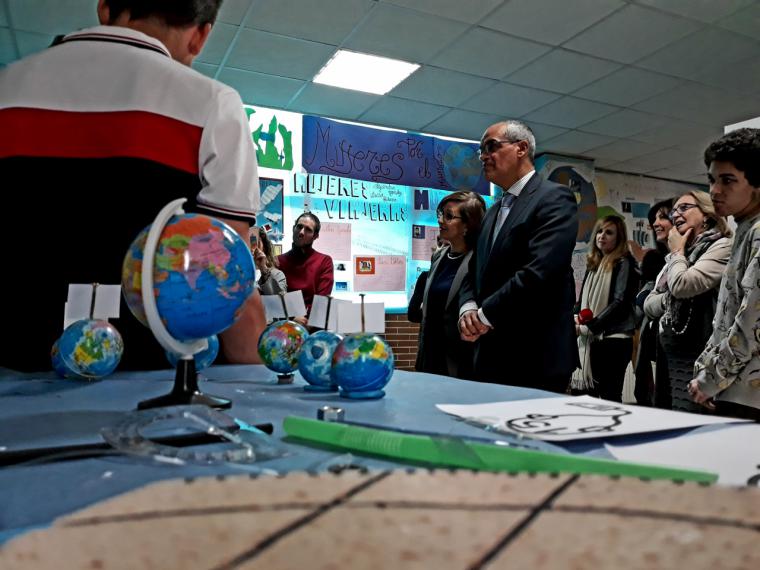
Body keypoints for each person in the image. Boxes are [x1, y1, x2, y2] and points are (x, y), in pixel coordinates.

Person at [0, 0, 266, 371]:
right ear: (200, 36)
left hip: (11, 375)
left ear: (105, 9)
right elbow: (224, 278)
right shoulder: (215, 105)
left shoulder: (6, 88)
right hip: (157, 383)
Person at [458, 120, 578, 393]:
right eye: (481, 151)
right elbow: (474, 269)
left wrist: (484, 315)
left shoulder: (554, 198)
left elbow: (540, 271)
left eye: (491, 147)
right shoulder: (492, 211)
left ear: (521, 148)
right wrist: (467, 307)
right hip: (489, 355)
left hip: (536, 356)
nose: (484, 157)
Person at [690, 128, 760, 421]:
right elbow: (726, 317)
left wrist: (709, 380)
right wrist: (707, 374)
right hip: (731, 388)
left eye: (728, 180)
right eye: (712, 180)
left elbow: (751, 326)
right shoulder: (745, 229)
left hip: (748, 396)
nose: (715, 191)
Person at [644, 191, 732, 413]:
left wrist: (676, 252)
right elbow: (649, 304)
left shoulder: (721, 246)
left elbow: (683, 284)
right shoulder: (676, 258)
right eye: (674, 211)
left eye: (684, 208)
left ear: (706, 215)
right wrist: (672, 294)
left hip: (702, 353)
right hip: (673, 356)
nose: (676, 215)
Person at [411, 191, 485, 379]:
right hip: (428, 357)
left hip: (459, 362)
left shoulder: (479, 262)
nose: (441, 220)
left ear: (468, 225)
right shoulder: (438, 257)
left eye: (449, 216)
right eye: (441, 214)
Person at [573, 216, 639, 402]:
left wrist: (590, 327)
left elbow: (619, 302)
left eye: (609, 232)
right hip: (592, 339)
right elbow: (580, 303)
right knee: (587, 397)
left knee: (610, 396)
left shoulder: (624, 262)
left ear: (619, 238)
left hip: (614, 340)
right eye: (600, 231)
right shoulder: (594, 263)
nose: (602, 236)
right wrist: (575, 317)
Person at [632, 198, 674, 406]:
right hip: (652, 336)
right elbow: (644, 302)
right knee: (651, 397)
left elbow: (674, 297)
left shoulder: (684, 258)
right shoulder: (656, 259)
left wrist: (654, 299)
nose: (656, 223)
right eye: (654, 219)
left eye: (663, 217)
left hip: (677, 342)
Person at [277, 212, 334, 320]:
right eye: (299, 227)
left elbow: (322, 301)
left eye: (308, 230)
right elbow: (274, 300)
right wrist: (292, 318)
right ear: (293, 228)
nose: (301, 232)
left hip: (313, 326)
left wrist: (305, 321)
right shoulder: (278, 261)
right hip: (285, 327)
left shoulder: (324, 261)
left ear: (315, 236)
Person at [251, 227, 287, 296]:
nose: (251, 247)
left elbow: (279, 301)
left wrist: (264, 270)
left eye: (254, 242)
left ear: (264, 246)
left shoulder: (277, 275)